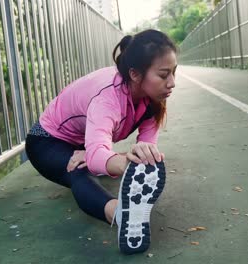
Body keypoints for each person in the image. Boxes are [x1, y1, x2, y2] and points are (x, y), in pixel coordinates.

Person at [25, 29, 177, 254]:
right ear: (135, 74)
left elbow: (148, 148)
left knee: (94, 160)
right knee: (76, 171)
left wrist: (142, 157)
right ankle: (119, 213)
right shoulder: (107, 98)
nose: (172, 83)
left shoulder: (153, 99)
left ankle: (92, 162)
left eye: (174, 72)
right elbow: (99, 156)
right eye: (164, 75)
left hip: (82, 140)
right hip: (47, 141)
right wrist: (127, 163)